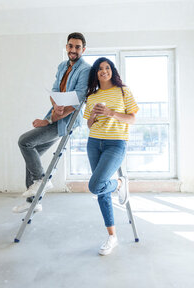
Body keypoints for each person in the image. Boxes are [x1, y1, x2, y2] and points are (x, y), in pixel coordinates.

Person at [13, 32, 91, 213]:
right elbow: (55, 90)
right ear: (66, 47)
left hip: (67, 120)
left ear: (83, 49)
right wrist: (53, 110)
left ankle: (42, 180)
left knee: (25, 141)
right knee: (32, 156)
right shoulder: (62, 66)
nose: (73, 50)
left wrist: (53, 118)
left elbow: (79, 98)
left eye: (77, 47)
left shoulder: (85, 69)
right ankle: (33, 202)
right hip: (55, 115)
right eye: (70, 46)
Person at [83, 57, 139, 255]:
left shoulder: (124, 91)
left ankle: (121, 183)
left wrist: (111, 112)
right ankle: (112, 236)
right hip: (93, 143)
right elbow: (89, 125)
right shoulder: (91, 97)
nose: (103, 71)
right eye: (99, 69)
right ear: (96, 74)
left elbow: (132, 119)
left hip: (115, 143)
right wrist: (94, 116)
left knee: (95, 185)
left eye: (107, 68)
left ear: (112, 70)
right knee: (101, 191)